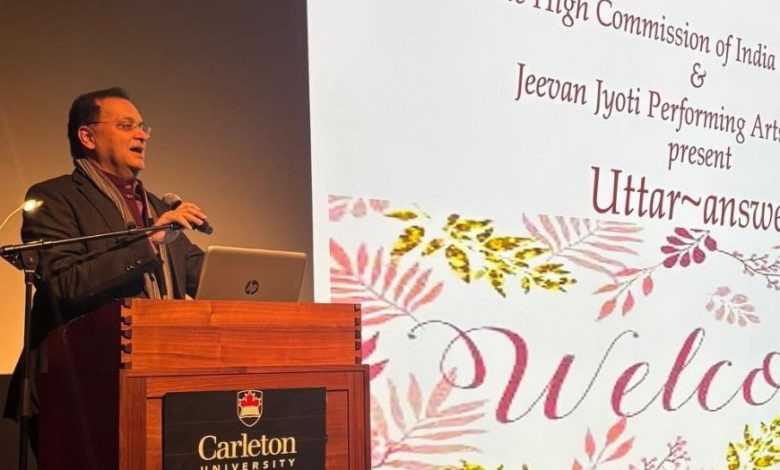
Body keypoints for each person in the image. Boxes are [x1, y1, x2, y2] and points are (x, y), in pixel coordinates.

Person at [2, 87, 207, 455]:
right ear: (87, 136)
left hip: (156, 381)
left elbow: (199, 275)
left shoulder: (155, 205)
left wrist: (253, 284)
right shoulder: (54, 198)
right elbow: (64, 285)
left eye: (143, 127)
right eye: (127, 125)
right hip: (75, 388)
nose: (141, 135)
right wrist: (150, 241)